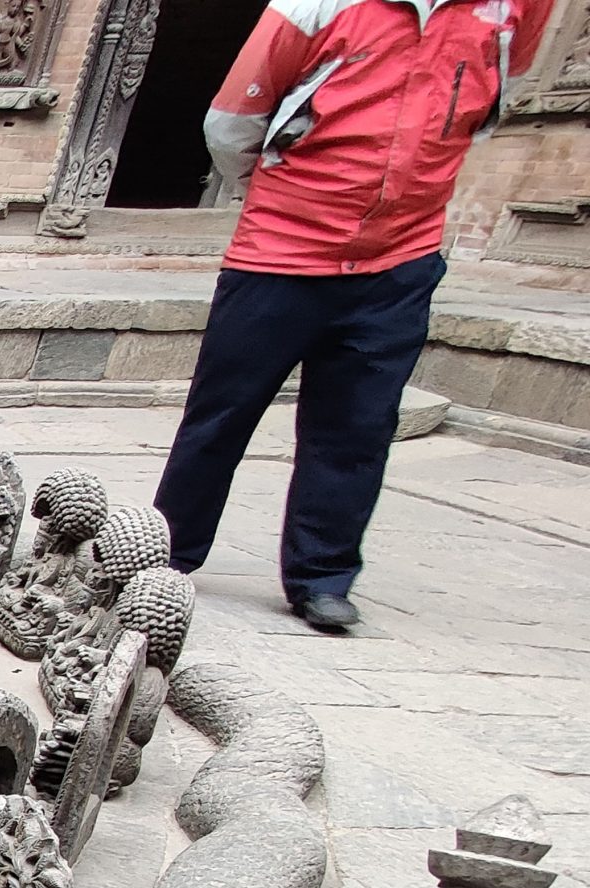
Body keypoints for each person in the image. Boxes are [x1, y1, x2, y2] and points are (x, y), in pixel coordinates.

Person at [153, 0, 550, 633]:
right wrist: (289, 185)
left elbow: (496, 99)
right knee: (222, 411)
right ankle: (165, 554)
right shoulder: (315, 5)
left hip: (401, 256)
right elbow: (231, 122)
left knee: (358, 426)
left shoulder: (511, 8)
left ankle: (322, 576)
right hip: (281, 248)